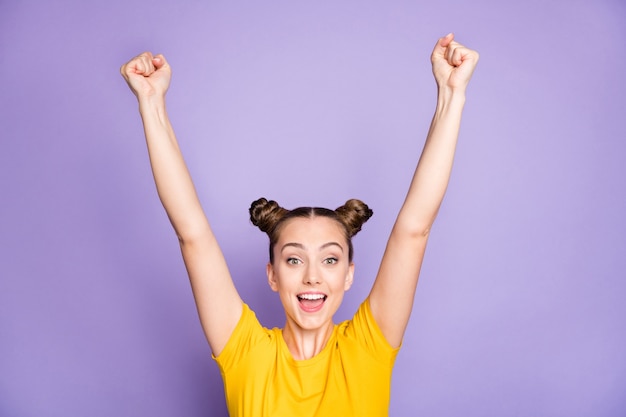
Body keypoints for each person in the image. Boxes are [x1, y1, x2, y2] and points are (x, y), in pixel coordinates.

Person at [121, 33, 478, 416]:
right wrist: (152, 102)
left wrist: (451, 94)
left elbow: (414, 230)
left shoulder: (367, 348)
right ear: (272, 275)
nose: (312, 277)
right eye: (293, 260)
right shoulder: (246, 353)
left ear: (348, 275)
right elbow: (192, 234)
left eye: (329, 260)